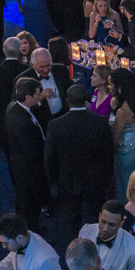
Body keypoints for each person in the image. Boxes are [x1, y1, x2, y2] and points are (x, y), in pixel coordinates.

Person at [45, 84, 114, 233]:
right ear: (85, 100)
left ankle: (75, 244)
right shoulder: (101, 122)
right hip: (95, 177)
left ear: (67, 100)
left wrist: (54, 180)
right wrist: (107, 175)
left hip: (68, 178)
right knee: (97, 213)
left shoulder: (55, 125)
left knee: (71, 215)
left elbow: (50, 158)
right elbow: (108, 153)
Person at [4, 78, 50, 231]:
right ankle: (32, 231)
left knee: (24, 203)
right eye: (38, 94)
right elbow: (33, 152)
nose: (40, 96)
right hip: (29, 171)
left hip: (19, 166)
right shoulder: (23, 124)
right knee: (30, 205)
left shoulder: (13, 108)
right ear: (28, 97)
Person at [78, 200, 135, 270]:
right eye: (103, 222)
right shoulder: (85, 232)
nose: (105, 229)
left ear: (121, 223)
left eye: (112, 225)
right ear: (99, 216)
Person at [109, 68, 135, 199]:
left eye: (110, 84)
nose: (108, 87)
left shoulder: (123, 111)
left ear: (119, 86)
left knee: (126, 182)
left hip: (127, 146)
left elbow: (116, 136)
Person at [0, 37, 25, 147]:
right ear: (20, 51)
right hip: (23, 116)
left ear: (3, 50)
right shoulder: (26, 70)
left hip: (1, 117)